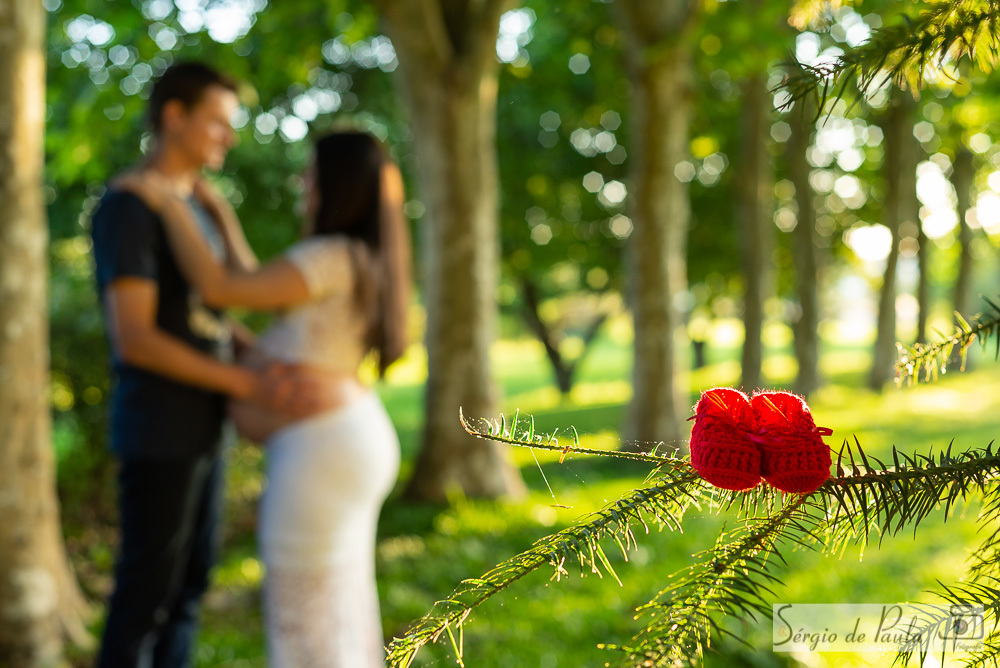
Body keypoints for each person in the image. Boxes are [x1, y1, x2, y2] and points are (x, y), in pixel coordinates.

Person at [118, 130, 412, 667]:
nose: (303, 182)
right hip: (343, 446)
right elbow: (256, 283)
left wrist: (164, 201)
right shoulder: (352, 255)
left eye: (312, 174)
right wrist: (221, 214)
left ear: (336, 183)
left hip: (321, 459)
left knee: (306, 617)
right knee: (336, 607)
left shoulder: (330, 255)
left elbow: (224, 288)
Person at [91, 62, 326, 667]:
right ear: (175, 116)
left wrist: (257, 355)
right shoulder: (130, 206)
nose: (230, 136)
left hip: (203, 426)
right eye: (219, 122)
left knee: (189, 591)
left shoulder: (194, 205)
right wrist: (248, 382)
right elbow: (136, 339)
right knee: (146, 598)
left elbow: (208, 312)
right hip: (159, 430)